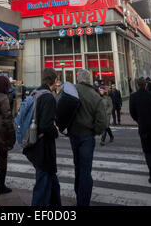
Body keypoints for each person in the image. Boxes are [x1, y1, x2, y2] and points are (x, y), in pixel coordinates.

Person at [67, 69, 107, 206]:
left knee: (77, 166)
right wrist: (95, 131)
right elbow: (102, 121)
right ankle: (83, 201)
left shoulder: (71, 91)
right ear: (89, 79)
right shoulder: (95, 96)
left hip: (73, 134)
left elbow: (61, 109)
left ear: (78, 78)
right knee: (85, 169)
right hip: (87, 136)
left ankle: (79, 193)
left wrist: (67, 128)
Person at [23, 68, 61, 207]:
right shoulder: (48, 97)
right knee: (43, 184)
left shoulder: (35, 93)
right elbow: (46, 125)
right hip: (43, 147)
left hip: (33, 141)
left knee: (51, 181)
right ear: (55, 80)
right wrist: (56, 131)